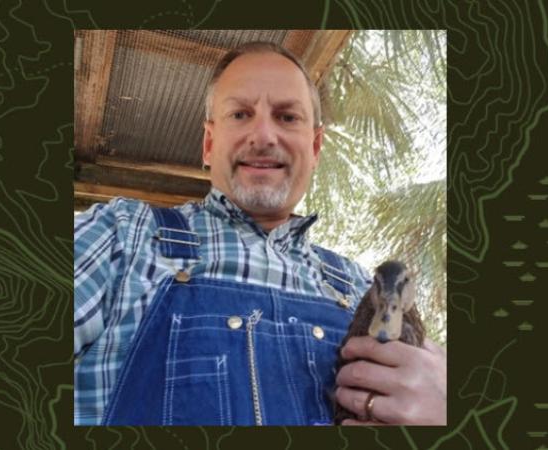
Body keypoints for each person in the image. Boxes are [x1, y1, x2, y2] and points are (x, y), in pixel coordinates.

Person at [74, 41, 446, 426]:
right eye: (240, 114)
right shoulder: (121, 235)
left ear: (315, 146)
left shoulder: (357, 287)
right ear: (208, 143)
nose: (264, 135)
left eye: (287, 117)